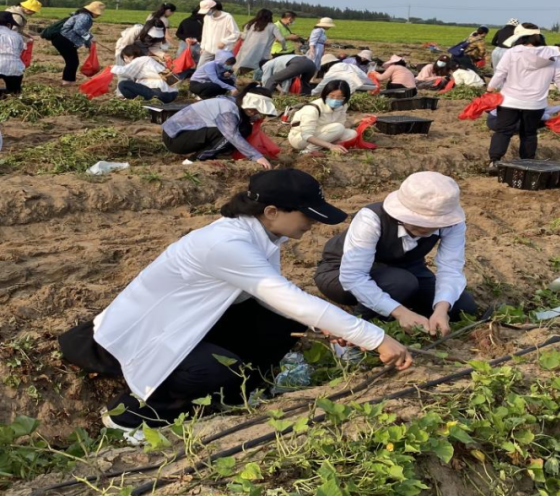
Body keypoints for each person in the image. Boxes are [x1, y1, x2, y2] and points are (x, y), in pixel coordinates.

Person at [58, 169, 411, 431]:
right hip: (131, 339)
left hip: (183, 324)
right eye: (307, 215)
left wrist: (329, 325)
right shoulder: (228, 245)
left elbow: (280, 301)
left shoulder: (262, 237)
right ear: (272, 211)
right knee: (216, 369)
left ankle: (239, 393)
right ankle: (130, 416)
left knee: (284, 324)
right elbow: (289, 297)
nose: (312, 224)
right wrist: (375, 337)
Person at [315, 172, 479, 336]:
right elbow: (352, 276)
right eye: (419, 220)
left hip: (408, 271)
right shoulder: (371, 218)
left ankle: (401, 305)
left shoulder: (451, 224)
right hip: (339, 273)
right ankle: (361, 326)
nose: (426, 227)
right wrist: (401, 313)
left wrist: (441, 310)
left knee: (462, 306)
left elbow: (450, 268)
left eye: (434, 222)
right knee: (401, 283)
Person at [486, 26, 560, 171]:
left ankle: (494, 161)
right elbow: (559, 78)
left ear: (521, 38)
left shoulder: (513, 52)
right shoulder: (553, 55)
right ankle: (527, 163)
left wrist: (490, 88)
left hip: (510, 100)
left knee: (503, 131)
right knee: (529, 134)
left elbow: (500, 72)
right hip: (536, 103)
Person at [162, 84, 277, 167]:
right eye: (254, 109)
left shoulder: (233, 102)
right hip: (175, 138)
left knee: (244, 127)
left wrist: (253, 118)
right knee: (227, 133)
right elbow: (232, 135)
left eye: (258, 110)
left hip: (188, 134)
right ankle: (195, 159)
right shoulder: (228, 109)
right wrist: (257, 156)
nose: (255, 112)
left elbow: (242, 120)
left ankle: (217, 152)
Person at [287, 80, 358, 154]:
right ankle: (309, 150)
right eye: (332, 96)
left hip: (323, 132)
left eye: (340, 97)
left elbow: (342, 123)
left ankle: (322, 145)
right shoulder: (313, 109)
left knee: (352, 134)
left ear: (345, 97)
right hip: (299, 138)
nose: (335, 99)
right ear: (325, 94)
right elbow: (306, 135)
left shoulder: (342, 106)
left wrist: (356, 121)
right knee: (338, 128)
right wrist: (331, 146)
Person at [46, 1, 105, 85]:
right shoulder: (85, 17)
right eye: (98, 13)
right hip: (64, 39)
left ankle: (68, 81)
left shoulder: (82, 15)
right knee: (72, 61)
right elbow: (78, 29)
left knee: (72, 61)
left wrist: (89, 44)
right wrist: (90, 37)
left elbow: (81, 31)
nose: (99, 15)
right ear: (93, 11)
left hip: (63, 39)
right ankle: (67, 82)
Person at [113, 43, 179, 103]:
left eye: (126, 58)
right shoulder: (143, 64)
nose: (125, 61)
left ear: (132, 56)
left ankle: (144, 98)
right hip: (167, 94)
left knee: (123, 84)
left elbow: (171, 78)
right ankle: (137, 100)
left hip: (161, 93)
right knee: (126, 85)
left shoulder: (146, 60)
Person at [236, 9, 286, 73]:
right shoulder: (272, 26)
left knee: (242, 68)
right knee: (259, 68)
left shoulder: (250, 24)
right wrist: (284, 47)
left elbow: (243, 37)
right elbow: (281, 39)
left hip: (247, 50)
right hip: (262, 52)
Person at [197, 0, 240, 66]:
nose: (207, 13)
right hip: (208, 50)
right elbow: (205, 33)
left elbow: (236, 33)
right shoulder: (207, 18)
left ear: (213, 8)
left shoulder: (227, 17)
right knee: (201, 69)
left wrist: (224, 42)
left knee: (223, 71)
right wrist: (203, 47)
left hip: (223, 51)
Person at [0, 11, 27, 96]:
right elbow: (19, 52)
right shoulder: (17, 35)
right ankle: (14, 94)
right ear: (9, 24)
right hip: (15, 67)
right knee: (14, 92)